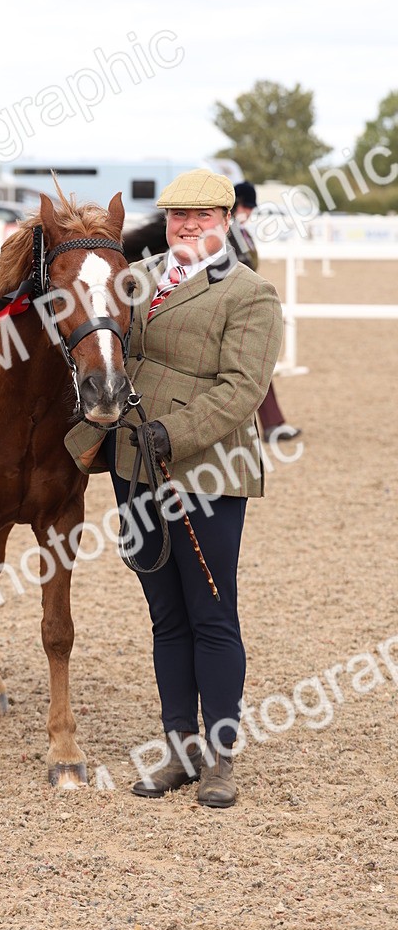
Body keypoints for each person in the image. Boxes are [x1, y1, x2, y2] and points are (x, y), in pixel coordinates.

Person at [65, 170, 284, 808]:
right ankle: (180, 747)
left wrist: (174, 431)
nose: (188, 226)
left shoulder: (250, 293)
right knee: (166, 616)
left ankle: (220, 757)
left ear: (225, 219)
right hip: (134, 463)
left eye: (201, 215)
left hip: (205, 469)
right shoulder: (138, 277)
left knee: (210, 612)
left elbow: (243, 389)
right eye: (177, 216)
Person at [231, 181, 302, 443]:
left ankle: (271, 424)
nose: (249, 212)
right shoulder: (229, 234)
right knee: (254, 366)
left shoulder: (240, 232)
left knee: (255, 366)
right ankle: (270, 425)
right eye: (247, 206)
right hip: (236, 307)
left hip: (246, 305)